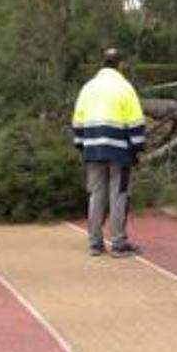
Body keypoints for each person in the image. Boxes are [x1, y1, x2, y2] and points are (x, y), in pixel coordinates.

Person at [72, 48, 146, 258]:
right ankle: (118, 242)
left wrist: (81, 145)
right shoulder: (125, 88)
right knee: (119, 194)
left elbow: (78, 120)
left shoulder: (88, 88)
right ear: (120, 64)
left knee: (96, 194)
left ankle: (95, 243)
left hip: (92, 147)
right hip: (119, 150)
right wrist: (137, 148)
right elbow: (135, 122)